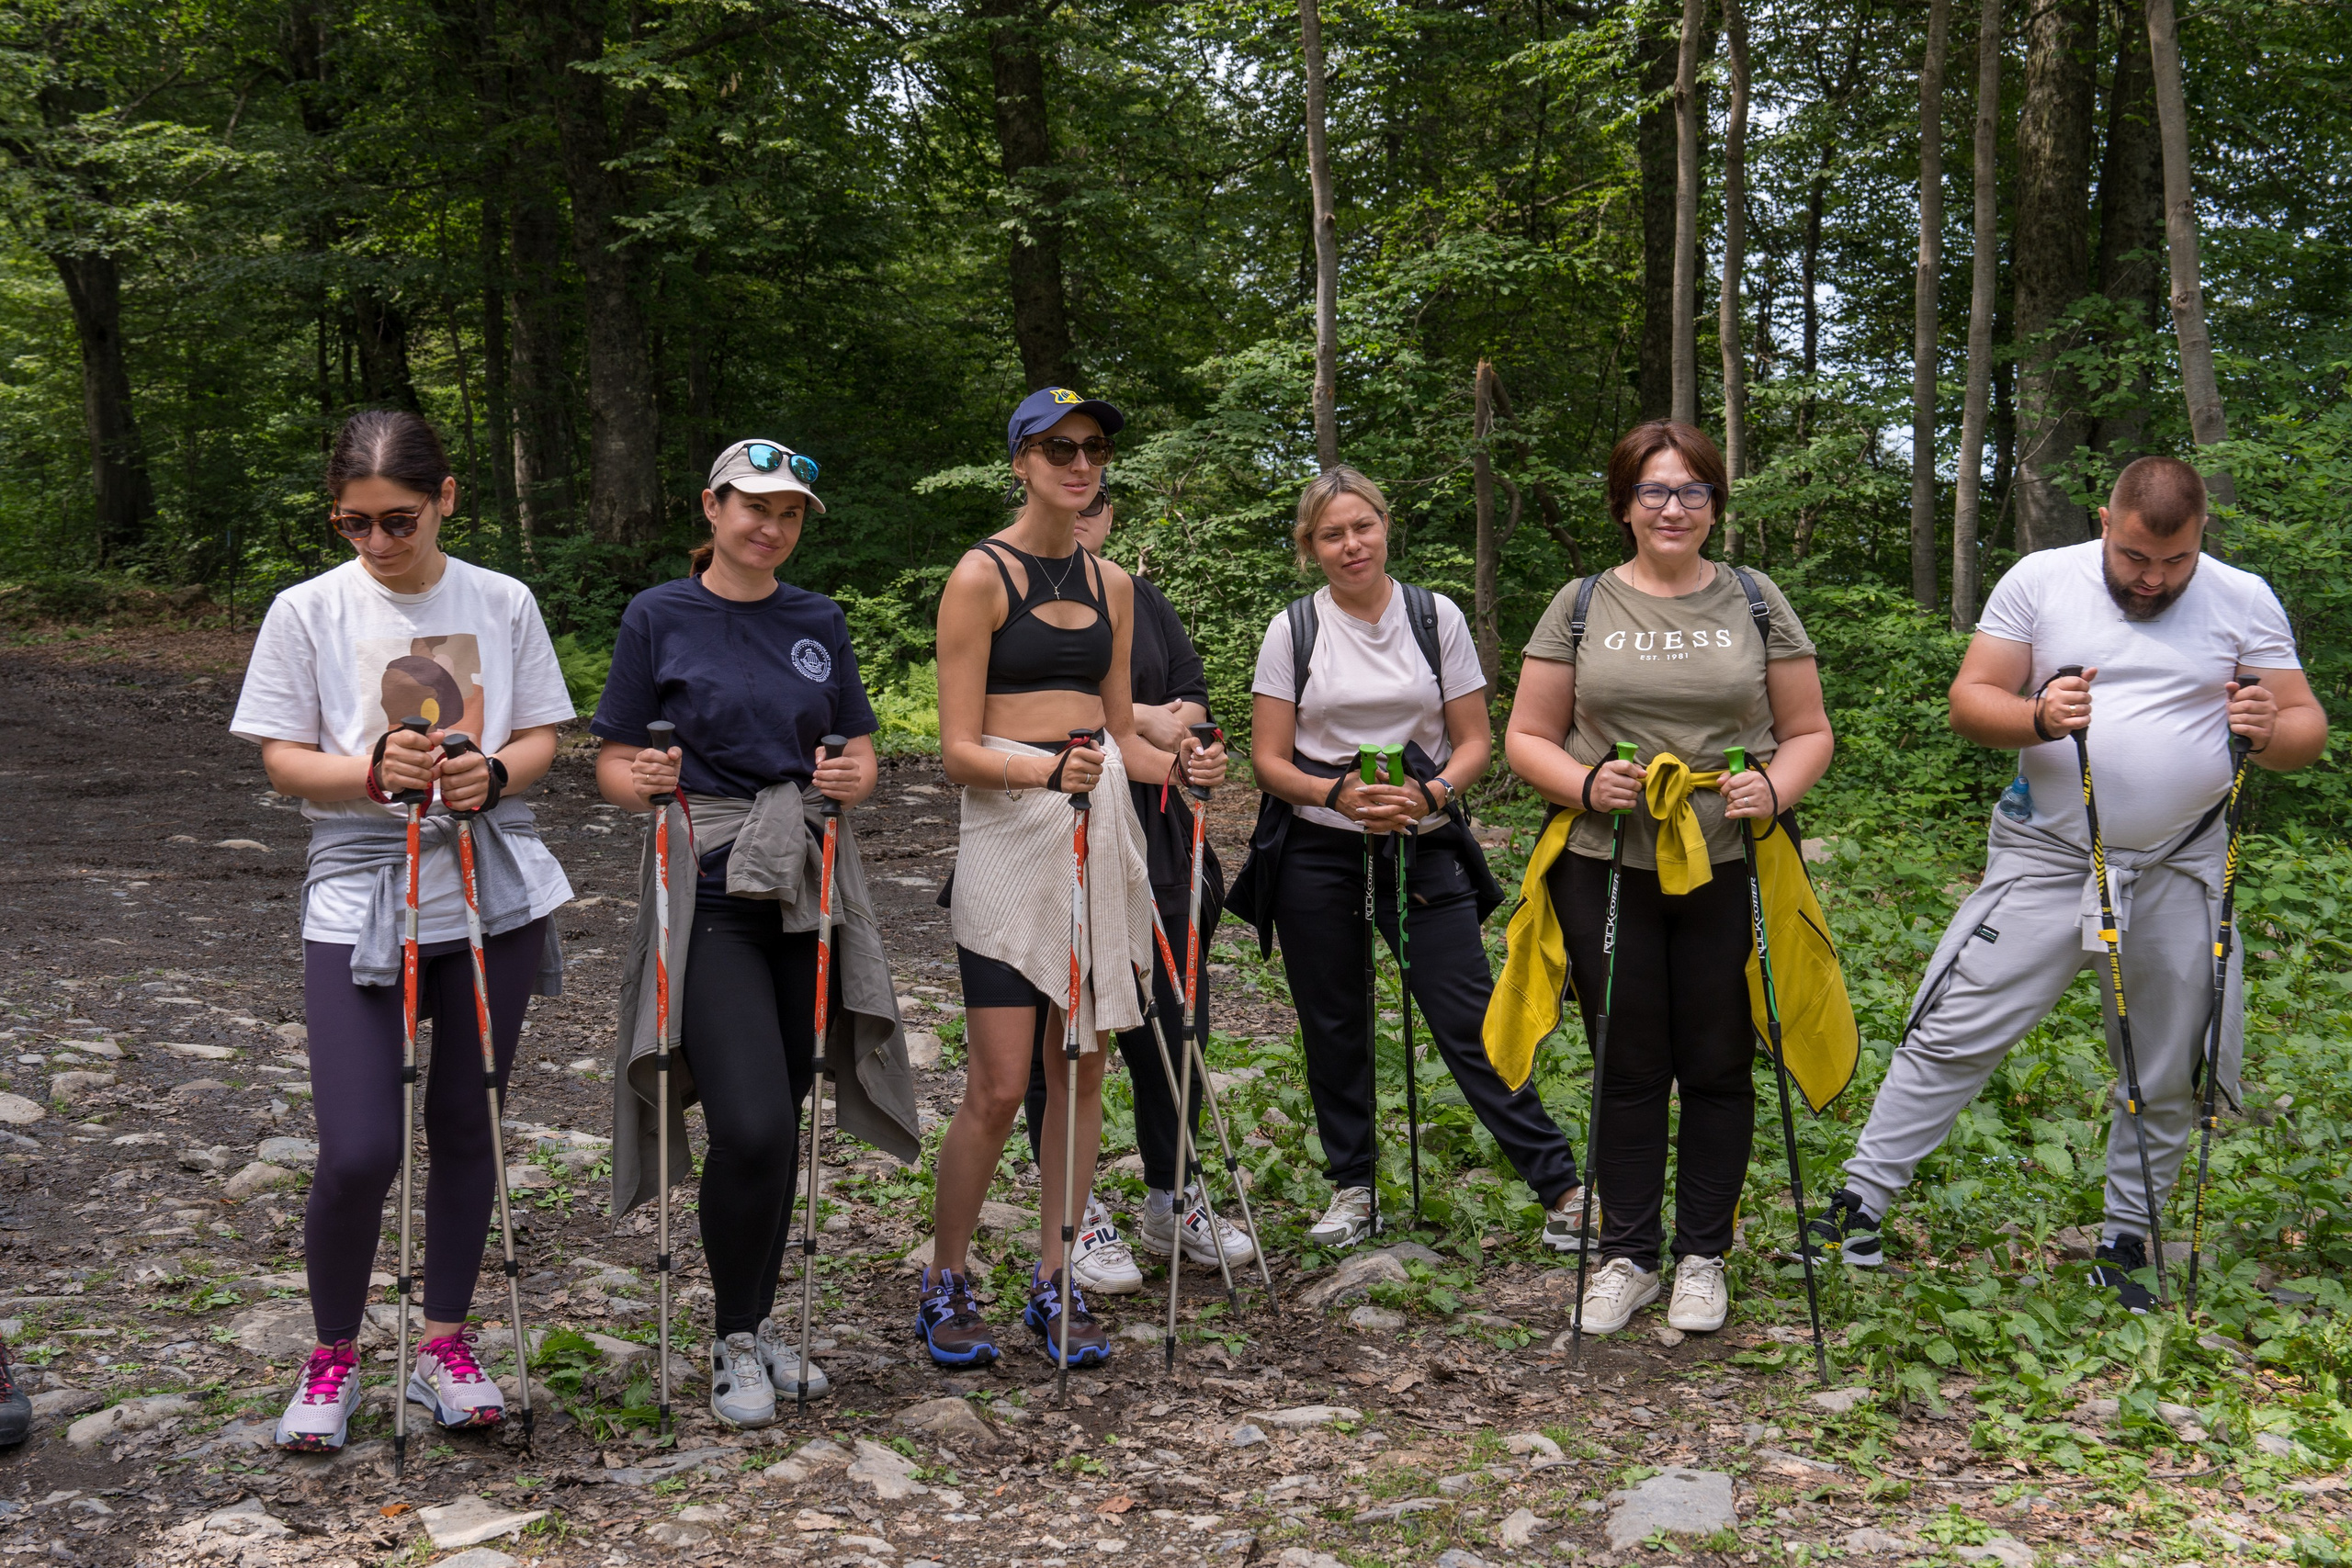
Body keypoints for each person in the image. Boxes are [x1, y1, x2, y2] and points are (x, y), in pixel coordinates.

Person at [1804, 456, 2326, 1309]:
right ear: (2104, 522)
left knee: (2167, 1063)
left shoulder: (2243, 597)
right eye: (2135, 557)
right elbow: (1971, 700)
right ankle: (1857, 1206)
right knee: (1954, 1024)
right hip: (2048, 856)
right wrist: (2038, 715)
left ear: (2203, 538)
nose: (2153, 579)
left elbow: (2305, 728)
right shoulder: (2042, 580)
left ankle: (2127, 1240)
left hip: (2182, 867)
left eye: (2176, 562)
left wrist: (2271, 728)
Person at [232, 409, 575, 1452]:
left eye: (398, 519)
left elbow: (543, 732)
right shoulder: (308, 609)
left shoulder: (502, 599)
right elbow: (283, 759)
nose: (377, 542)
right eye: (354, 522)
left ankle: (444, 1345)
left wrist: (495, 772)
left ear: (445, 499)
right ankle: (333, 1353)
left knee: (468, 1125)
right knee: (359, 1149)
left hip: (489, 890)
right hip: (359, 892)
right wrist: (373, 771)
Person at [597, 439, 921, 1427]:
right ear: (713, 507)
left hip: (805, 895)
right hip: (708, 891)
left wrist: (855, 778)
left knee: (783, 1116)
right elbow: (615, 762)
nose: (771, 527)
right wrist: (642, 781)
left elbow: (858, 755)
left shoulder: (818, 619)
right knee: (752, 1124)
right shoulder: (659, 614)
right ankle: (733, 1339)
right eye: (754, 507)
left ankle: (757, 1319)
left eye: (787, 514)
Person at [1502, 420, 1834, 1336]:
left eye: (1692, 490)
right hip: (1605, 860)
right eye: (1654, 490)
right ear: (1624, 504)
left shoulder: (1756, 599)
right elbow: (1526, 736)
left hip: (1731, 858)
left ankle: (1702, 1257)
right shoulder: (1580, 605)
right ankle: (1628, 1256)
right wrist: (1584, 784)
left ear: (1715, 503)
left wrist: (1774, 789)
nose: (1673, 507)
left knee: (1720, 1060)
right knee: (1627, 1059)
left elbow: (1809, 731)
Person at [922, 388, 1226, 1367]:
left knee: (1083, 1065)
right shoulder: (980, 576)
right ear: (1020, 460)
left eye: (1093, 447)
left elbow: (1123, 732)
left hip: (1097, 823)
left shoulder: (1114, 586)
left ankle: (1056, 1278)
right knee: (999, 1080)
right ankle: (946, 1276)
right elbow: (957, 751)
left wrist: (1181, 766)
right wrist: (1043, 771)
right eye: (1058, 448)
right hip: (1010, 829)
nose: (1080, 463)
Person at [1233, 465, 1589, 1255]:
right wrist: (1337, 794)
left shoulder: (1435, 616)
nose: (1351, 544)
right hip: (1316, 848)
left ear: (1385, 526)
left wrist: (1428, 797)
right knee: (1334, 1021)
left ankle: (1563, 1189)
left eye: (1363, 526)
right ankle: (1353, 1186)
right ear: (1310, 546)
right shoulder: (1294, 629)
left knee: (1469, 1014)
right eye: (1332, 534)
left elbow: (1474, 742)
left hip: (1422, 846)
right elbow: (1267, 760)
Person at [1018, 487, 1253, 1294]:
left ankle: (1171, 1192)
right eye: (1066, 483)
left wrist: (1169, 733)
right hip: (1053, 832)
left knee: (1179, 1023)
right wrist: (1143, 717)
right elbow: (1029, 712)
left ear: (1112, 514)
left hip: (1156, 834)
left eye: (1099, 497)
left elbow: (1194, 702)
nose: (1082, 506)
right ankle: (1074, 1209)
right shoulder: (1006, 583)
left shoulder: (1139, 596)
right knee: (1065, 1028)